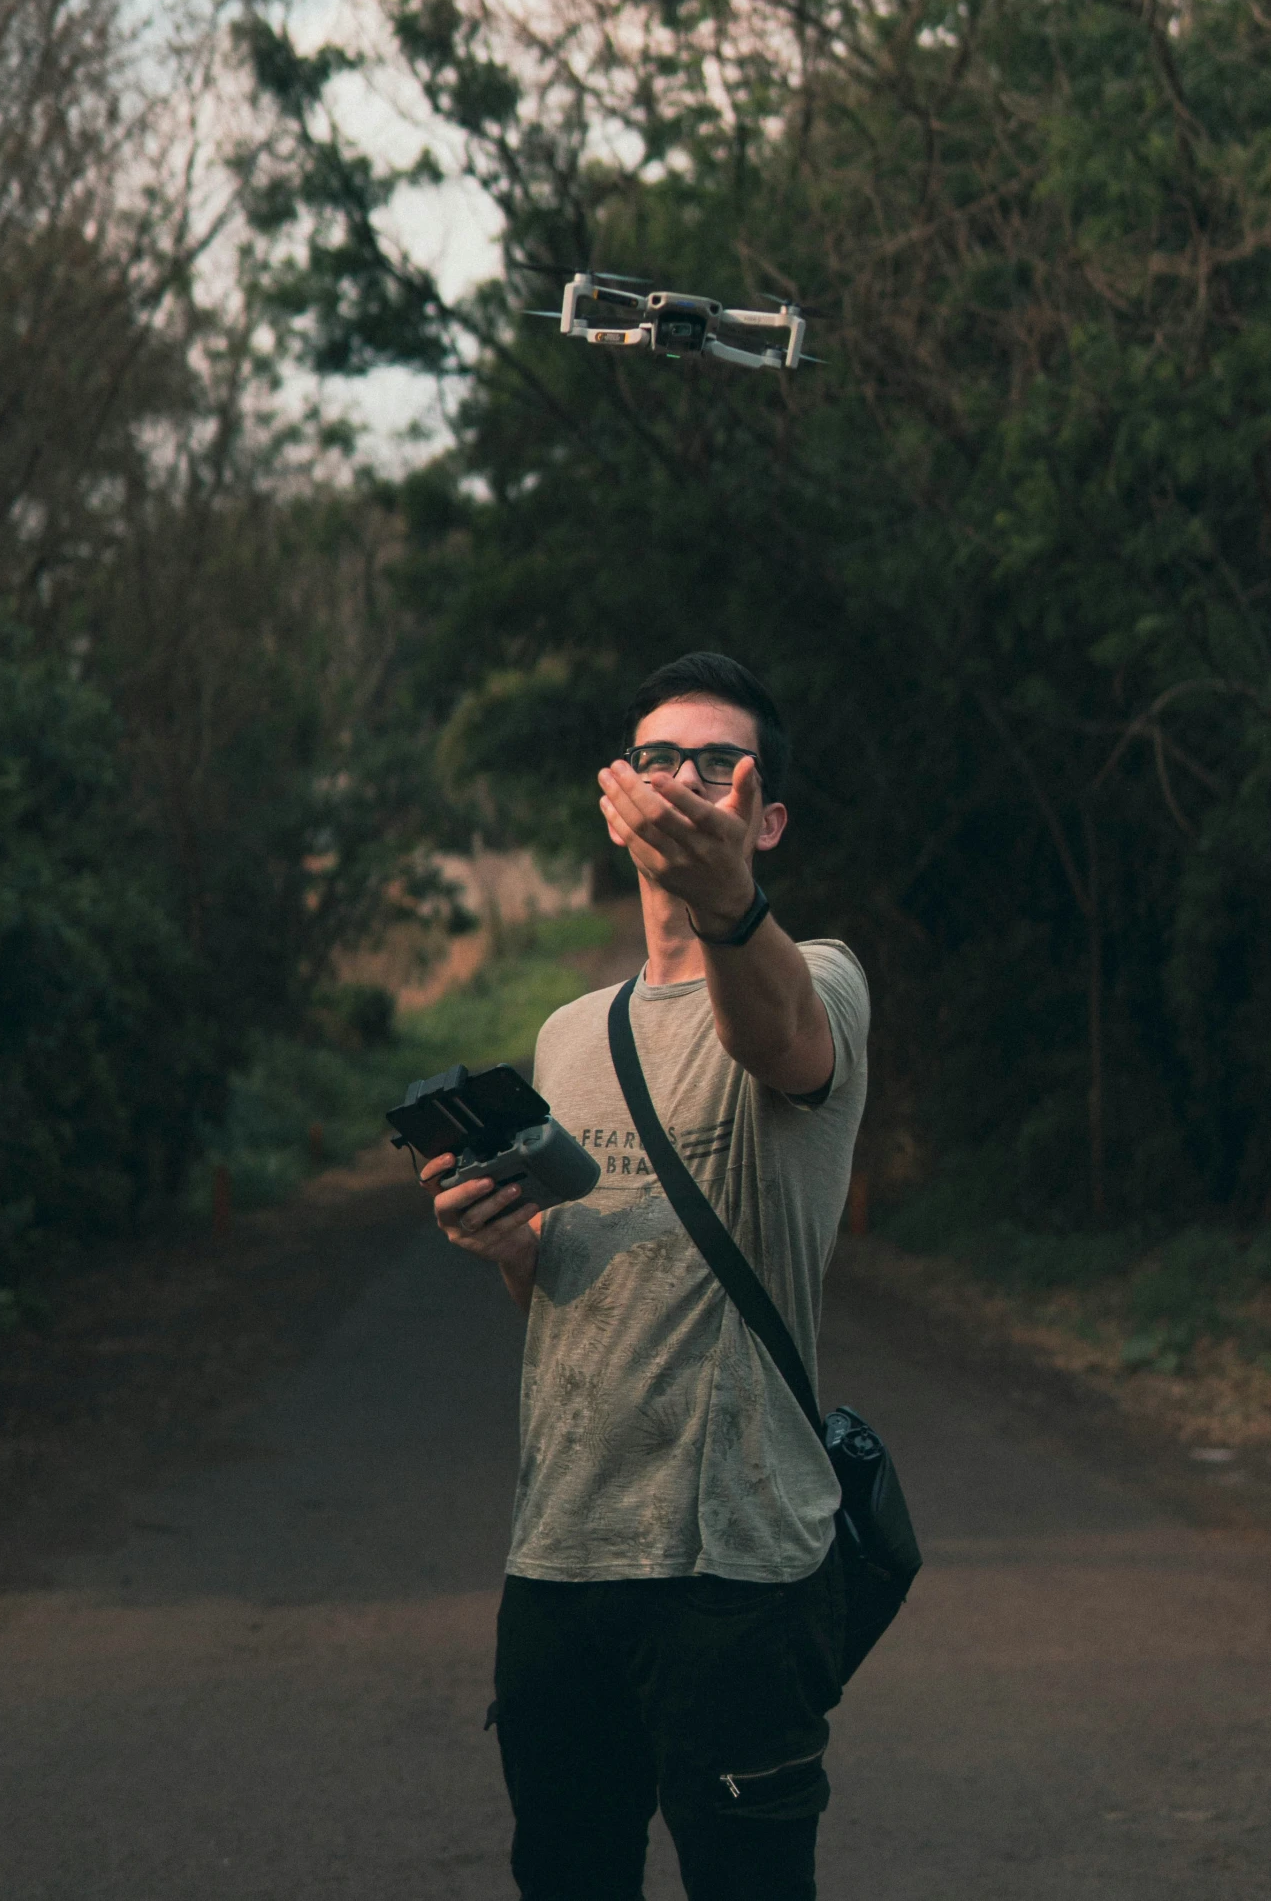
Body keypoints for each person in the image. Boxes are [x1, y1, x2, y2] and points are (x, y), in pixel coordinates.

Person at [420, 651, 871, 1901]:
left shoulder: (816, 972)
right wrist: (510, 1246)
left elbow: (773, 1037)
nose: (684, 777)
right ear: (619, 793)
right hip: (558, 1559)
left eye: (718, 763)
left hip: (736, 1570)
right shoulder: (568, 1033)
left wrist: (729, 906)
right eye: (658, 756)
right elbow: (565, 1290)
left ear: (764, 818)